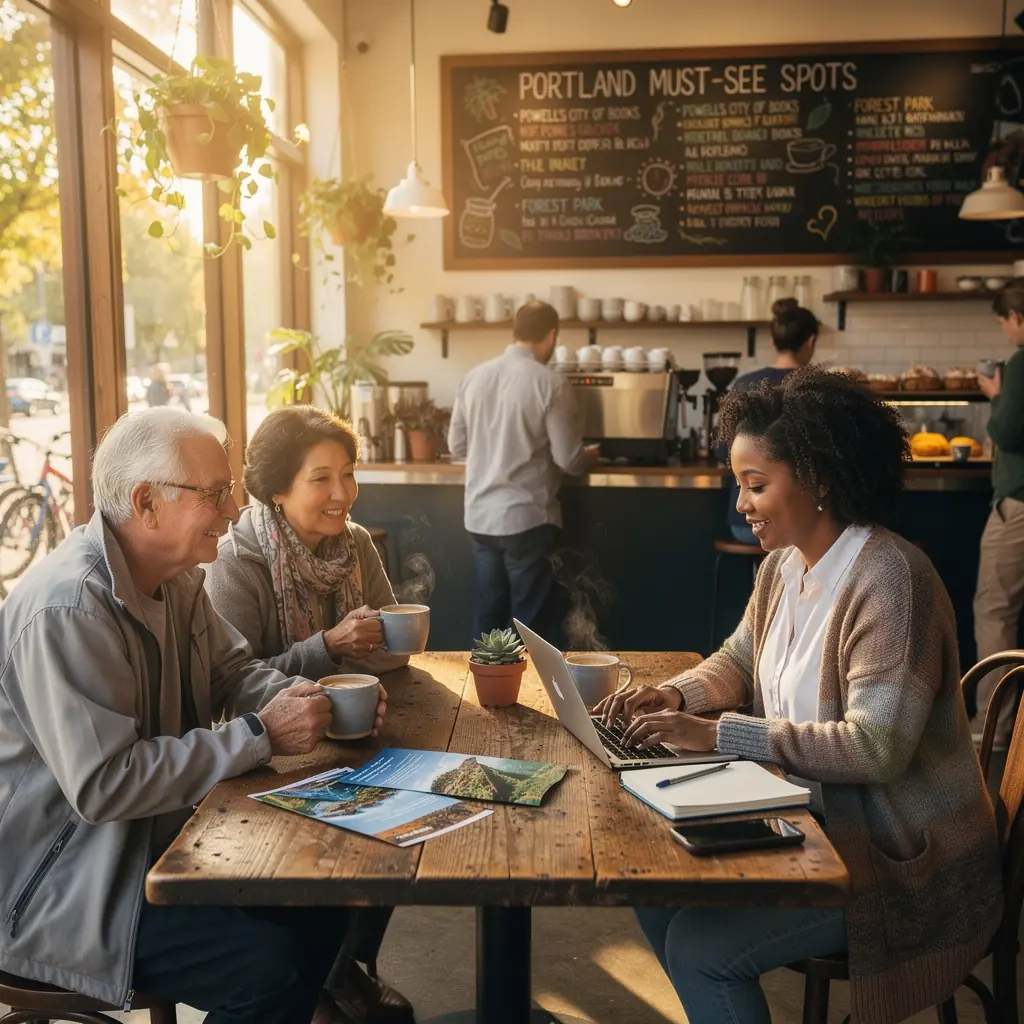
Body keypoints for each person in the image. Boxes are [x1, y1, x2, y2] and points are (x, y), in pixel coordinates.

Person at [597, 367, 1002, 1024]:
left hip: (897, 864)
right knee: (651, 891)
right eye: (740, 486)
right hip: (815, 826)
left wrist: (719, 733)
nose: (742, 505)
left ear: (818, 479)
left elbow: (876, 749)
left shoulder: (892, 583)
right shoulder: (784, 566)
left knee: (701, 949)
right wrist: (674, 696)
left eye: (757, 486)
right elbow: (738, 661)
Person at [0, 406, 386, 1024]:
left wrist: (314, 702)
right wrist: (261, 733)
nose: (234, 510)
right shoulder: (69, 609)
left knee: (327, 897)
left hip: (153, 849)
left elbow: (233, 673)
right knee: (273, 967)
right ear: (146, 502)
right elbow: (107, 783)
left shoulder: (174, 579)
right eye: (213, 493)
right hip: (66, 891)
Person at [203, 404, 413, 1023]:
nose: (342, 493)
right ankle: (322, 978)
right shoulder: (238, 561)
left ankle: (339, 966)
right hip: (261, 756)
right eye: (321, 478)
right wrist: (329, 648)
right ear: (277, 487)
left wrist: (392, 641)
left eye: (348, 474)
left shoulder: (354, 546)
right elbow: (233, 685)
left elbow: (385, 633)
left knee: (399, 828)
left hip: (344, 731)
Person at [448, 300, 599, 646]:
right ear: (551, 336)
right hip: (526, 520)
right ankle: (529, 695)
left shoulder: (474, 376)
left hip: (480, 517)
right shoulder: (551, 383)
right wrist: (592, 454)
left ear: (516, 332)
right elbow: (569, 460)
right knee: (528, 623)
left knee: (489, 613)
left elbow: (457, 447)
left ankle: (480, 695)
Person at [717, 298, 817, 543]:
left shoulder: (744, 383)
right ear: (811, 340)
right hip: (803, 522)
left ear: (772, 340)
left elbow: (721, 452)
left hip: (745, 525)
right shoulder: (818, 388)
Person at [973, 276, 1024, 748]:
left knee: (995, 612)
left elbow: (1008, 431)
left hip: (1018, 504)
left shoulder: (1021, 360)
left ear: (1016, 318)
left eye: (1004, 322)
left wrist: (996, 395)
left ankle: (994, 727)